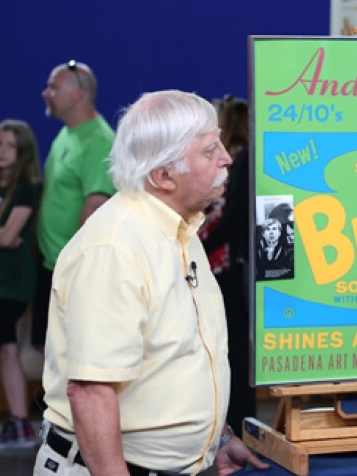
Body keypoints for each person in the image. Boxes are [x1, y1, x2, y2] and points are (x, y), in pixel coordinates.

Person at [35, 90, 269, 475]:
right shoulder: (114, 248)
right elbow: (91, 392)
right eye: (210, 152)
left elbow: (181, 356)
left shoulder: (180, 231)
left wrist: (217, 440)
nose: (227, 159)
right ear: (163, 176)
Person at [32, 60, 116, 349]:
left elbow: (94, 209)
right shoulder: (67, 134)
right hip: (52, 268)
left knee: (71, 363)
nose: (46, 93)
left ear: (79, 95)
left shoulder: (100, 141)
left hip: (72, 275)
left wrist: (75, 272)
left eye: (53, 87)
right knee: (51, 360)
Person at [0, 120, 41, 461]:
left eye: (10, 145)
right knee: (6, 351)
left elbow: (4, 237)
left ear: (23, 152)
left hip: (13, 284)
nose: (1, 150)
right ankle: (19, 423)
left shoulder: (26, 187)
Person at [200, 95, 255, 434]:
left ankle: (235, 425)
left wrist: (201, 243)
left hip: (223, 265)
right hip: (226, 264)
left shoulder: (236, 162)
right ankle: (235, 425)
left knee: (230, 349)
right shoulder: (243, 159)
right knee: (231, 349)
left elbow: (232, 217)